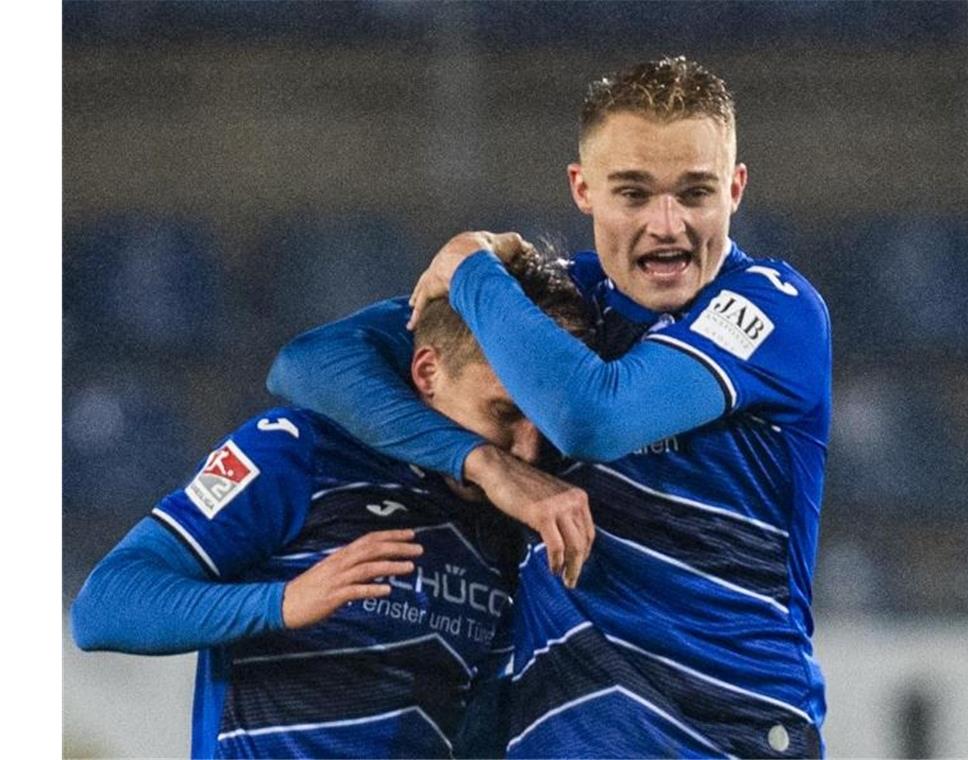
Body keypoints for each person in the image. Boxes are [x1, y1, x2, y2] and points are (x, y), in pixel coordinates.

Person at [270, 56, 830, 758]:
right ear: (583, 189)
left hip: (720, 735)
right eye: (633, 194)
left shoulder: (774, 311)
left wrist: (471, 263)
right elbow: (313, 362)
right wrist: (483, 463)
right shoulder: (556, 302)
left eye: (696, 193)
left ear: (737, 189)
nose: (668, 226)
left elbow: (594, 418)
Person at [70, 249, 594, 759]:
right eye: (503, 412)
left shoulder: (513, 529)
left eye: (543, 422)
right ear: (428, 372)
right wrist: (283, 602)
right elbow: (106, 606)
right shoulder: (297, 450)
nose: (526, 452)